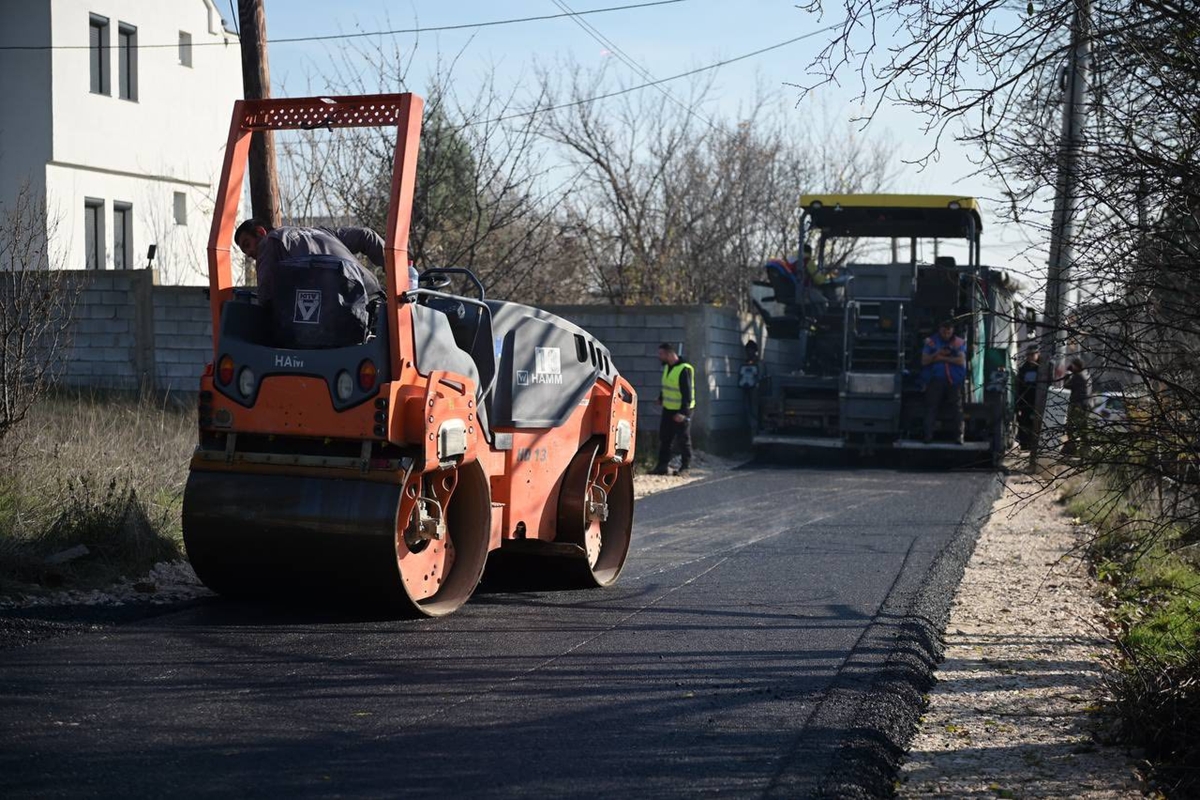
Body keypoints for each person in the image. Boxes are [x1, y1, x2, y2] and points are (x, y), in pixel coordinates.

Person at [234, 219, 386, 308]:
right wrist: (396, 272)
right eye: (244, 251)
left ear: (261, 232)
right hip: (373, 294)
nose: (248, 253)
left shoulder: (269, 242)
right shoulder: (321, 231)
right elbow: (366, 235)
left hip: (343, 305)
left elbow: (265, 295)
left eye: (247, 244)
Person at [651, 342, 695, 477]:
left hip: (682, 410)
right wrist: (661, 398)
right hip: (668, 409)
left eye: (661, 354)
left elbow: (687, 394)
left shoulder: (684, 369)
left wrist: (683, 413)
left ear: (670, 354)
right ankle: (662, 466)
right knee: (665, 438)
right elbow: (667, 385)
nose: (659, 356)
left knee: (683, 439)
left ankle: (686, 467)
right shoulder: (667, 367)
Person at [921, 318, 967, 444]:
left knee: (957, 408)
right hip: (936, 379)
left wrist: (941, 358)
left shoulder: (958, 342)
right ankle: (928, 435)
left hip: (954, 380)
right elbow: (924, 361)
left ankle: (959, 436)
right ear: (939, 330)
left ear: (952, 330)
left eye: (949, 332)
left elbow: (961, 361)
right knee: (931, 407)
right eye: (944, 332)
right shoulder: (931, 342)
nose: (946, 334)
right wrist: (937, 353)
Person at [1062, 356, 1091, 456]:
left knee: (1070, 427)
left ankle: (1072, 447)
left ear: (1077, 366)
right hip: (1084, 404)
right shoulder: (1086, 374)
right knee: (1083, 427)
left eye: (1073, 365)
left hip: (1077, 404)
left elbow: (1066, 386)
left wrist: (1067, 374)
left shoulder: (1078, 376)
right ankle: (1086, 449)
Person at [1015, 347, 1040, 450]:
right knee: (1024, 422)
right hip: (1025, 399)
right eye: (1028, 355)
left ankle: (1034, 443)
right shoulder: (1023, 369)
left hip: (1037, 400)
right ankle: (1024, 443)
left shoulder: (1041, 368)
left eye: (1032, 354)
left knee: (1035, 422)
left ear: (1037, 354)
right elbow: (1019, 385)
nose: (1030, 357)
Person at [739, 339, 761, 431]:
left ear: (754, 351)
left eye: (750, 350)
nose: (748, 352)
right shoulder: (746, 362)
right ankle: (750, 426)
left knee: (754, 408)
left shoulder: (758, 363)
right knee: (746, 407)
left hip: (755, 389)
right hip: (746, 388)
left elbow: (760, 376)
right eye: (747, 350)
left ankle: (755, 428)